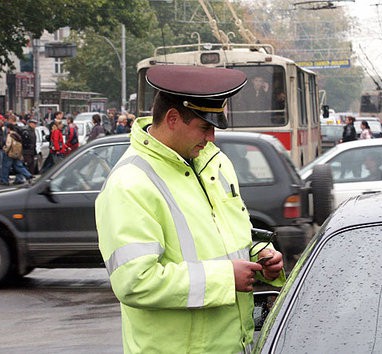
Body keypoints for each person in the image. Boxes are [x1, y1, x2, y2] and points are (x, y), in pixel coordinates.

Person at [95, 65, 285, 354]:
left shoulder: (215, 162)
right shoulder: (129, 184)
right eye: (205, 127)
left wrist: (260, 258)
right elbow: (135, 282)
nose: (212, 139)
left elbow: (230, 236)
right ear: (172, 119)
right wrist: (225, 277)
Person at [0, 116, 33, 185]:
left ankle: (4, 180)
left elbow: (8, 144)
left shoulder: (10, 135)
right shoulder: (16, 135)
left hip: (10, 153)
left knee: (6, 167)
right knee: (18, 166)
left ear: (8, 128)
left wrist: (5, 150)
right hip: (17, 153)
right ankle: (28, 175)